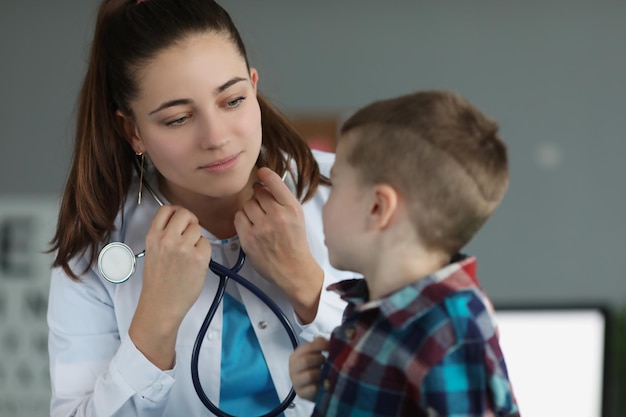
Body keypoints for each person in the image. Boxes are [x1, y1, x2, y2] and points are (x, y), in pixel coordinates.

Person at [46, 0, 354, 416]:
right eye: (178, 119)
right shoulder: (94, 252)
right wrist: (154, 325)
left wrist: (309, 286)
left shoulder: (353, 192)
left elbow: (430, 383)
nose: (216, 137)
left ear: (254, 87)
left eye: (232, 101)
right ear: (133, 131)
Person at [288, 90, 521, 417]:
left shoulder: (449, 332)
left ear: (377, 207)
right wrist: (326, 384)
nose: (321, 200)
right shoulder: (374, 307)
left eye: (335, 183)